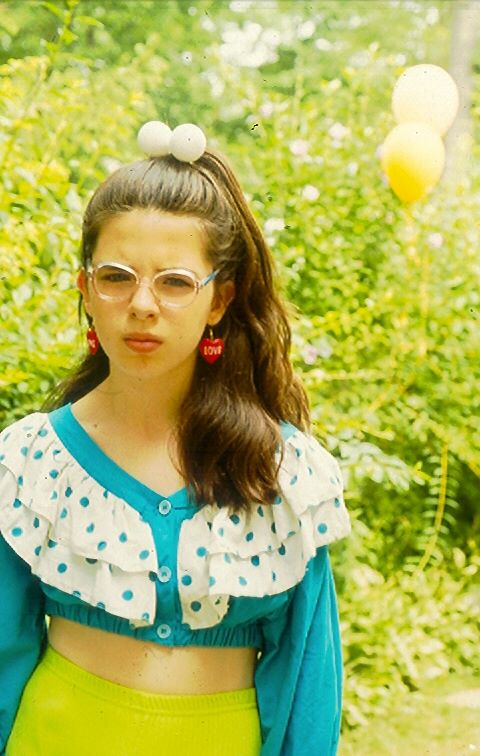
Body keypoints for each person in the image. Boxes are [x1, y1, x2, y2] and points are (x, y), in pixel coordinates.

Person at [0, 121, 351, 756]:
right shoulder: (28, 465)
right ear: (85, 290)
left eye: (175, 282)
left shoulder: (281, 470)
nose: (142, 304)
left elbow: (306, 679)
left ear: (219, 300)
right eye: (116, 276)